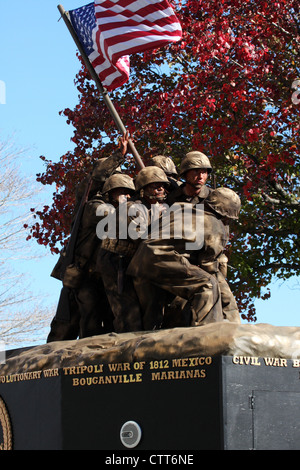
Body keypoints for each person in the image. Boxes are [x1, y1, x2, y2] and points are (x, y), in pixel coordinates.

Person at [47, 139, 127, 342]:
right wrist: (118, 156)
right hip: (82, 274)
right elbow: (95, 179)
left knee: (99, 322)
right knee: (68, 326)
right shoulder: (92, 206)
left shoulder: (123, 208)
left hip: (103, 275)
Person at [127, 187, 241, 327]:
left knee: (153, 320)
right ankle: (209, 335)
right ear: (227, 215)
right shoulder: (215, 226)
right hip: (162, 260)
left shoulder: (180, 208)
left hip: (140, 264)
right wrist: (232, 313)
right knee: (208, 285)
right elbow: (210, 267)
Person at [98, 165, 171, 332]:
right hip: (116, 261)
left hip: (135, 261)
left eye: (163, 185)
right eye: (154, 185)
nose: (160, 189)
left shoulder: (158, 209)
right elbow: (144, 239)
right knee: (128, 313)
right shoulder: (132, 208)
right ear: (143, 189)